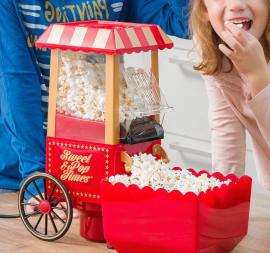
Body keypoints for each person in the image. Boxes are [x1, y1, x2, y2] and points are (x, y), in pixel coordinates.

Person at [0, 1, 190, 193]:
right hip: (25, 172)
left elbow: (186, 24)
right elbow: (16, 80)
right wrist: (39, 180)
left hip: (99, 162)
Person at [190, 0, 270, 189]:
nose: (236, 5)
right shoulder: (212, 48)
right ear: (204, 10)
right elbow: (225, 128)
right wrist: (224, 201)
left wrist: (257, 76)